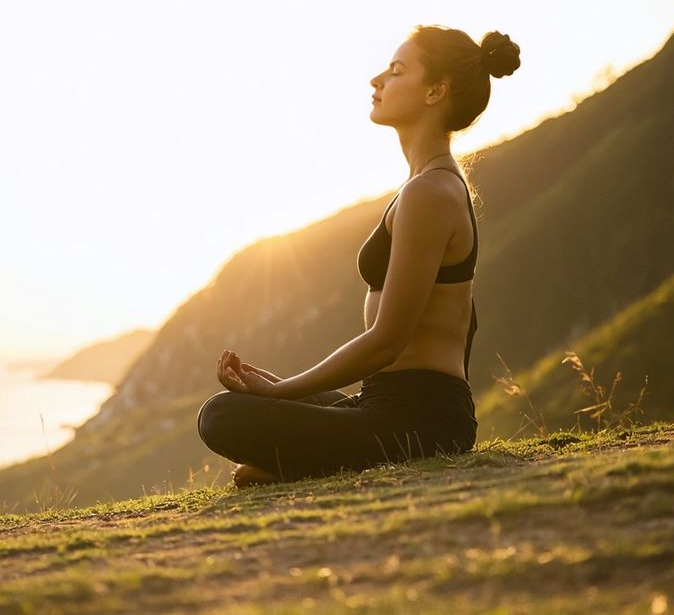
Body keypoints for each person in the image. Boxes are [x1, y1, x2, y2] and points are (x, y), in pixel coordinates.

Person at [196, 25, 521, 488]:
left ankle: (305, 467)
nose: (377, 81)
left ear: (436, 91)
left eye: (395, 71)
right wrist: (281, 389)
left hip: (421, 423)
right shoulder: (427, 185)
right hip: (386, 404)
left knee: (221, 415)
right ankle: (303, 465)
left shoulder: (430, 192)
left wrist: (283, 391)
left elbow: (387, 340)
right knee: (243, 409)